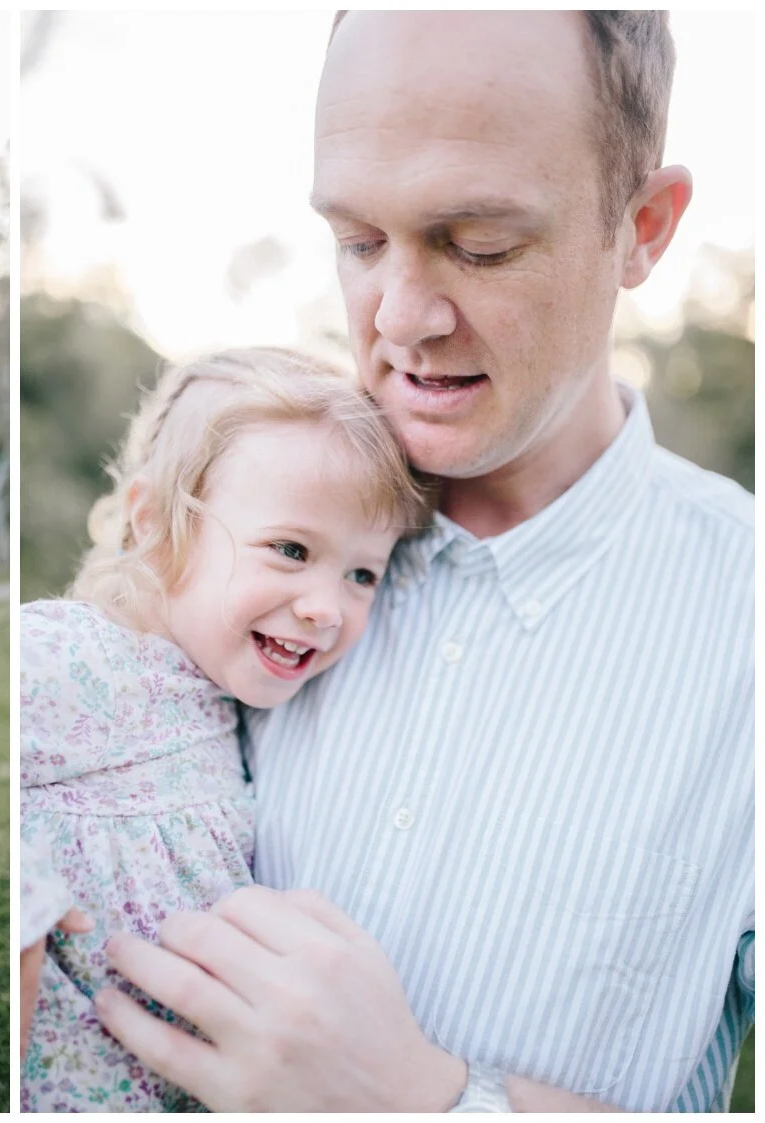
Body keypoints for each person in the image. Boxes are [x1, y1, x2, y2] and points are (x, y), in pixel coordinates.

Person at [95, 11, 752, 1113]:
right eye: (357, 241)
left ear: (643, 226)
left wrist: (423, 1100)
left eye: (479, 244)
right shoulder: (241, 513)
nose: (399, 318)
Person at [20, 348, 429, 1110]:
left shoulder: (224, 702)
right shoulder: (75, 654)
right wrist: (26, 895)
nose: (326, 606)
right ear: (153, 521)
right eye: (291, 549)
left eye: (362, 573)